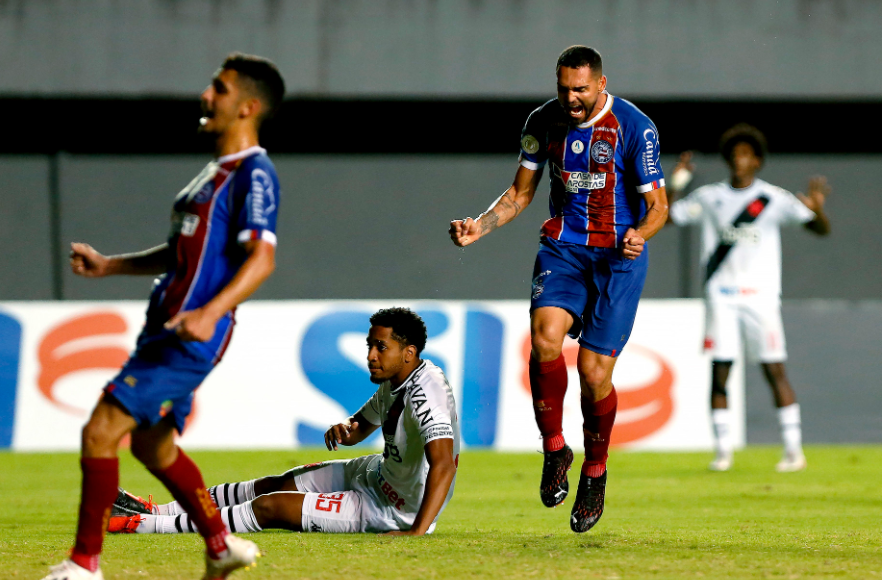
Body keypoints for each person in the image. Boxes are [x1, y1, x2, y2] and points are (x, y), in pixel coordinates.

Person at [42, 53, 285, 580]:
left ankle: (84, 565)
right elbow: (181, 253)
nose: (205, 95)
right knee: (154, 446)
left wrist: (209, 313)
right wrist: (111, 266)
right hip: (167, 329)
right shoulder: (210, 176)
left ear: (247, 107)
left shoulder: (254, 174)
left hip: (190, 337)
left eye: (218, 89)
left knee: (100, 431)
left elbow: (261, 259)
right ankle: (220, 545)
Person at [449, 45, 668, 533]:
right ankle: (554, 449)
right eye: (564, 88)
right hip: (565, 248)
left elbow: (658, 206)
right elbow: (520, 192)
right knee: (544, 339)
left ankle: (595, 470)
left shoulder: (636, 127)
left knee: (594, 373)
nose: (571, 98)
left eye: (581, 90)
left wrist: (640, 234)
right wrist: (481, 226)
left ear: (601, 84)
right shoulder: (542, 122)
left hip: (617, 257)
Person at [107, 307, 460, 537]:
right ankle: (154, 508)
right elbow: (361, 427)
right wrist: (346, 429)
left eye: (379, 347)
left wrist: (417, 530)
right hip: (375, 474)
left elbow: (444, 464)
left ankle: (140, 524)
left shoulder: (427, 393)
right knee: (272, 484)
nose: (369, 355)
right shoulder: (395, 380)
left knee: (270, 506)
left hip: (392, 508)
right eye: (369, 345)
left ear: (409, 353)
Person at [667, 124, 831, 473]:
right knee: (721, 371)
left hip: (761, 298)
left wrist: (818, 211)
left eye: (747, 155)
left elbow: (818, 229)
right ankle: (723, 452)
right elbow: (667, 217)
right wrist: (676, 184)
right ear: (729, 160)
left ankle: (793, 450)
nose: (740, 160)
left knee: (775, 370)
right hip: (721, 296)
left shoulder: (773, 199)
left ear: (757, 161)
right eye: (735, 154)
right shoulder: (709, 197)